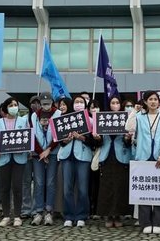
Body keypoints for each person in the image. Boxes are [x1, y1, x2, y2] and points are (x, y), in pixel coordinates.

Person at [126, 90, 160, 234]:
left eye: (155, 99)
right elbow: (129, 128)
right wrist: (134, 111)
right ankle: (145, 222)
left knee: (159, 190)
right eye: (150, 99)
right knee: (144, 189)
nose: (153, 102)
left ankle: (158, 222)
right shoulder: (139, 117)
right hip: (142, 156)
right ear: (145, 102)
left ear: (159, 102)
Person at [92, 95, 132, 228]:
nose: (115, 105)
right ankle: (108, 215)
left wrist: (127, 138)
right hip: (107, 156)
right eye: (112, 103)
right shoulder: (102, 119)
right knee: (106, 187)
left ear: (121, 105)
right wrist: (97, 138)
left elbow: (128, 143)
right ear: (109, 105)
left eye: (117, 103)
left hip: (122, 156)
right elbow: (99, 141)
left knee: (120, 187)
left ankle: (119, 215)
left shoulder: (127, 119)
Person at [58, 94, 96, 227]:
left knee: (83, 188)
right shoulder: (65, 120)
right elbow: (60, 141)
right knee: (67, 188)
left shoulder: (90, 120)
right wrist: (65, 140)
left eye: (81, 102)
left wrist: (83, 138)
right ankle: (68, 215)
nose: (78, 104)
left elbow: (94, 142)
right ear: (72, 105)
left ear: (85, 105)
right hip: (67, 156)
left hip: (83, 157)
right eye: (76, 102)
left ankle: (81, 215)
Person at [0, 97, 29, 226]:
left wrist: (27, 149)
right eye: (11, 105)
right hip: (3, 158)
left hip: (19, 158)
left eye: (15, 105)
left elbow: (27, 137)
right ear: (6, 107)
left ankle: (17, 215)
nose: (14, 107)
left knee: (18, 187)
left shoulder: (23, 121)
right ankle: (7, 215)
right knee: (4, 187)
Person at [24, 92, 59, 225]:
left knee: (50, 183)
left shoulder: (58, 114)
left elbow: (58, 135)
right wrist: (40, 153)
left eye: (48, 103)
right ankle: (38, 212)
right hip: (37, 155)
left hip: (53, 153)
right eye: (43, 103)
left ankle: (49, 212)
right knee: (38, 182)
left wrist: (48, 150)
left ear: (52, 102)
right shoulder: (34, 116)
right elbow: (31, 135)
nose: (46, 106)